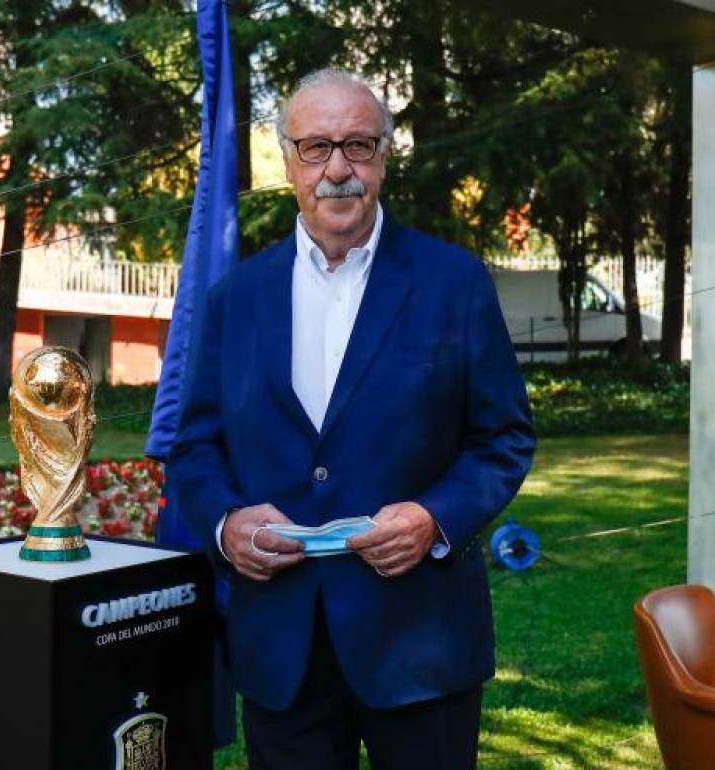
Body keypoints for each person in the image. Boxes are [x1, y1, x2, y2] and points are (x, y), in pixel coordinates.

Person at [167, 68, 536, 770]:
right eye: (316, 147)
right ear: (288, 161)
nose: (337, 169)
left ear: (384, 157)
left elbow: (503, 438)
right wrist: (226, 523)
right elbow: (196, 445)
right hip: (282, 646)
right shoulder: (236, 297)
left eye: (358, 146)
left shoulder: (453, 282)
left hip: (420, 644)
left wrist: (433, 519)